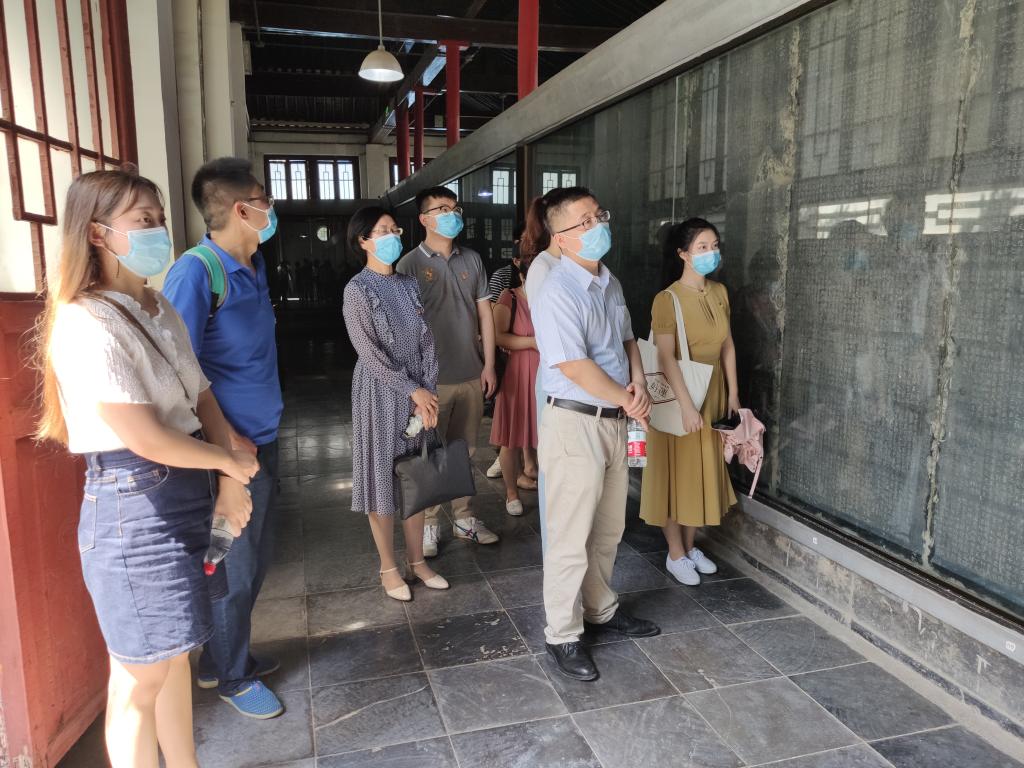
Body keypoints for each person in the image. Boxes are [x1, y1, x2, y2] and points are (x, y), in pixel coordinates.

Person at [35, 168, 259, 766]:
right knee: (140, 679)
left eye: (159, 219)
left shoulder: (155, 306)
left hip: (184, 485)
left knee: (173, 654)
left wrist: (227, 477)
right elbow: (144, 436)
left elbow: (202, 396)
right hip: (134, 504)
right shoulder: (87, 319)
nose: (158, 231)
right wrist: (229, 463)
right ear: (97, 233)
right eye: (143, 221)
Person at [163, 157, 285, 719]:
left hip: (262, 441)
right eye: (264, 199)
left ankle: (221, 658)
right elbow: (179, 373)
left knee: (253, 561)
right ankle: (233, 678)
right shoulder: (197, 272)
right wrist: (229, 444)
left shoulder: (252, 266)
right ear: (242, 208)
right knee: (233, 569)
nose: (270, 208)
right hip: (227, 453)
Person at [532, 186, 659, 682]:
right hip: (575, 422)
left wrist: (638, 384)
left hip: (615, 420)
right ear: (561, 238)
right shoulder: (556, 290)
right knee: (570, 535)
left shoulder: (610, 281)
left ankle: (600, 609)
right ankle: (562, 633)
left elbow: (627, 340)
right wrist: (627, 399)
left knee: (608, 529)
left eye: (598, 216)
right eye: (583, 222)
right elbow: (575, 365)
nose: (597, 226)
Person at [342, 206, 449, 600]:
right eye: (382, 231)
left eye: (394, 229)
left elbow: (426, 341)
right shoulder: (357, 289)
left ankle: (417, 561)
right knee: (382, 479)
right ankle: (388, 567)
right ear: (363, 241)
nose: (392, 236)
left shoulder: (407, 284)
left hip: (419, 393)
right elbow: (369, 353)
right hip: (379, 393)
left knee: (416, 477)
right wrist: (411, 390)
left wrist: (427, 391)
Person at [397, 186, 500, 557]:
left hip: (470, 372)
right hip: (430, 381)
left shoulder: (471, 259)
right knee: (427, 453)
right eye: (442, 209)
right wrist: (413, 384)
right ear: (424, 219)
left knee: (464, 451)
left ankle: (464, 518)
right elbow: (403, 328)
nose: (452, 214)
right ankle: (428, 524)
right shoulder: (408, 264)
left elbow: (485, 314)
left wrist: (489, 364)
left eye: (455, 208)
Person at [639, 218, 738, 586]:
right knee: (674, 474)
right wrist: (686, 406)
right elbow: (665, 356)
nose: (711, 253)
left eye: (714, 245)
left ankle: (691, 545)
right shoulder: (667, 299)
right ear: (683, 254)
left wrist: (734, 393)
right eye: (702, 247)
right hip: (679, 396)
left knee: (701, 471)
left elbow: (728, 346)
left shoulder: (720, 292)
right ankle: (675, 552)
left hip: (713, 392)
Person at [522, 193, 566, 550]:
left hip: (586, 387)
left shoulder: (592, 269)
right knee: (555, 466)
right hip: (559, 380)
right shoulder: (543, 267)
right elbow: (546, 332)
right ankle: (555, 546)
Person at [490, 252, 540, 515]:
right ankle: (511, 493)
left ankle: (543, 481)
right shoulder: (509, 297)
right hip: (517, 375)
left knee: (545, 435)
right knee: (510, 437)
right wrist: (532, 342)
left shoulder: (551, 299)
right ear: (522, 275)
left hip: (546, 375)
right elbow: (498, 336)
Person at [485, 222, 527, 480]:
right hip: (510, 361)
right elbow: (492, 324)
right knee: (511, 421)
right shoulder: (504, 281)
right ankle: (508, 465)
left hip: (535, 365)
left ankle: (528, 467)